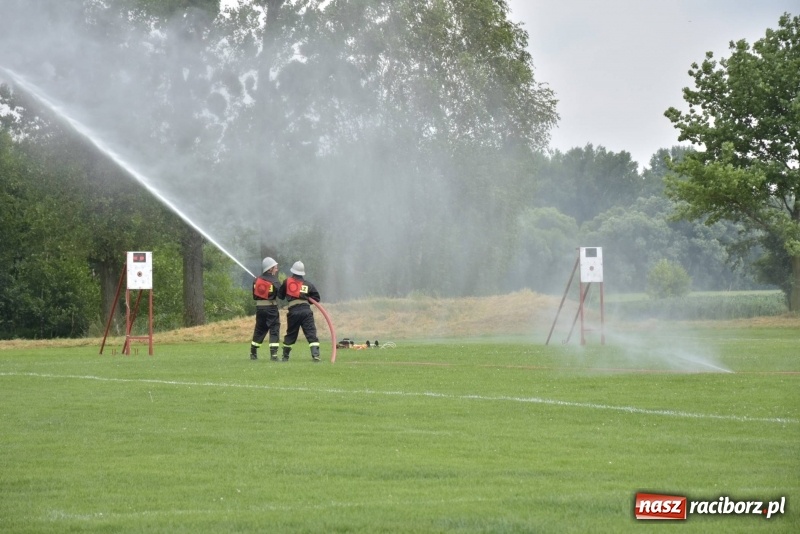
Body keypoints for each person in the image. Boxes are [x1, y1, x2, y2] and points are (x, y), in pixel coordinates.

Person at [277, 260, 322, 362]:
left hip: (293, 312)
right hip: (306, 311)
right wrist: (306, 298)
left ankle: (285, 357)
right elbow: (317, 298)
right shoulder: (308, 284)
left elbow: (280, 296)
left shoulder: (287, 282)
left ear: (293, 271)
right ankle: (315, 355)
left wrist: (283, 289)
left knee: (291, 334)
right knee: (311, 332)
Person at [249, 257, 281, 361]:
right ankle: (274, 355)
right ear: (270, 269)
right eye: (275, 267)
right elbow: (281, 295)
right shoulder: (274, 281)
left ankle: (253, 352)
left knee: (259, 329)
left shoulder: (256, 280)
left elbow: (254, 296)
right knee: (274, 328)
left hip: (260, 309)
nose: (276, 269)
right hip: (271, 308)